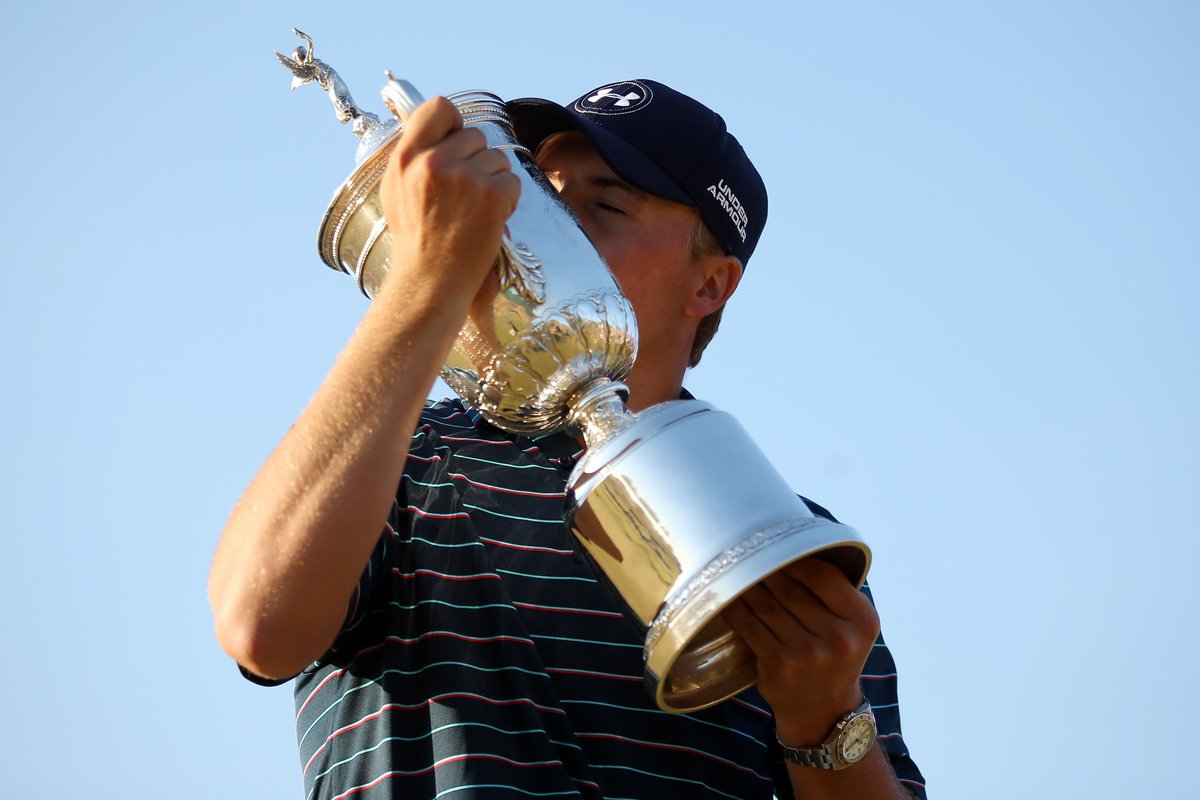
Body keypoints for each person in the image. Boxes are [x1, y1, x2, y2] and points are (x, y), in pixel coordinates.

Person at [210, 79, 927, 799]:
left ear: (708, 284)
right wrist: (427, 277)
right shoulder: (395, 455)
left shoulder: (787, 540)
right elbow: (258, 626)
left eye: (604, 205)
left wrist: (824, 717)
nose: (535, 222)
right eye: (538, 193)